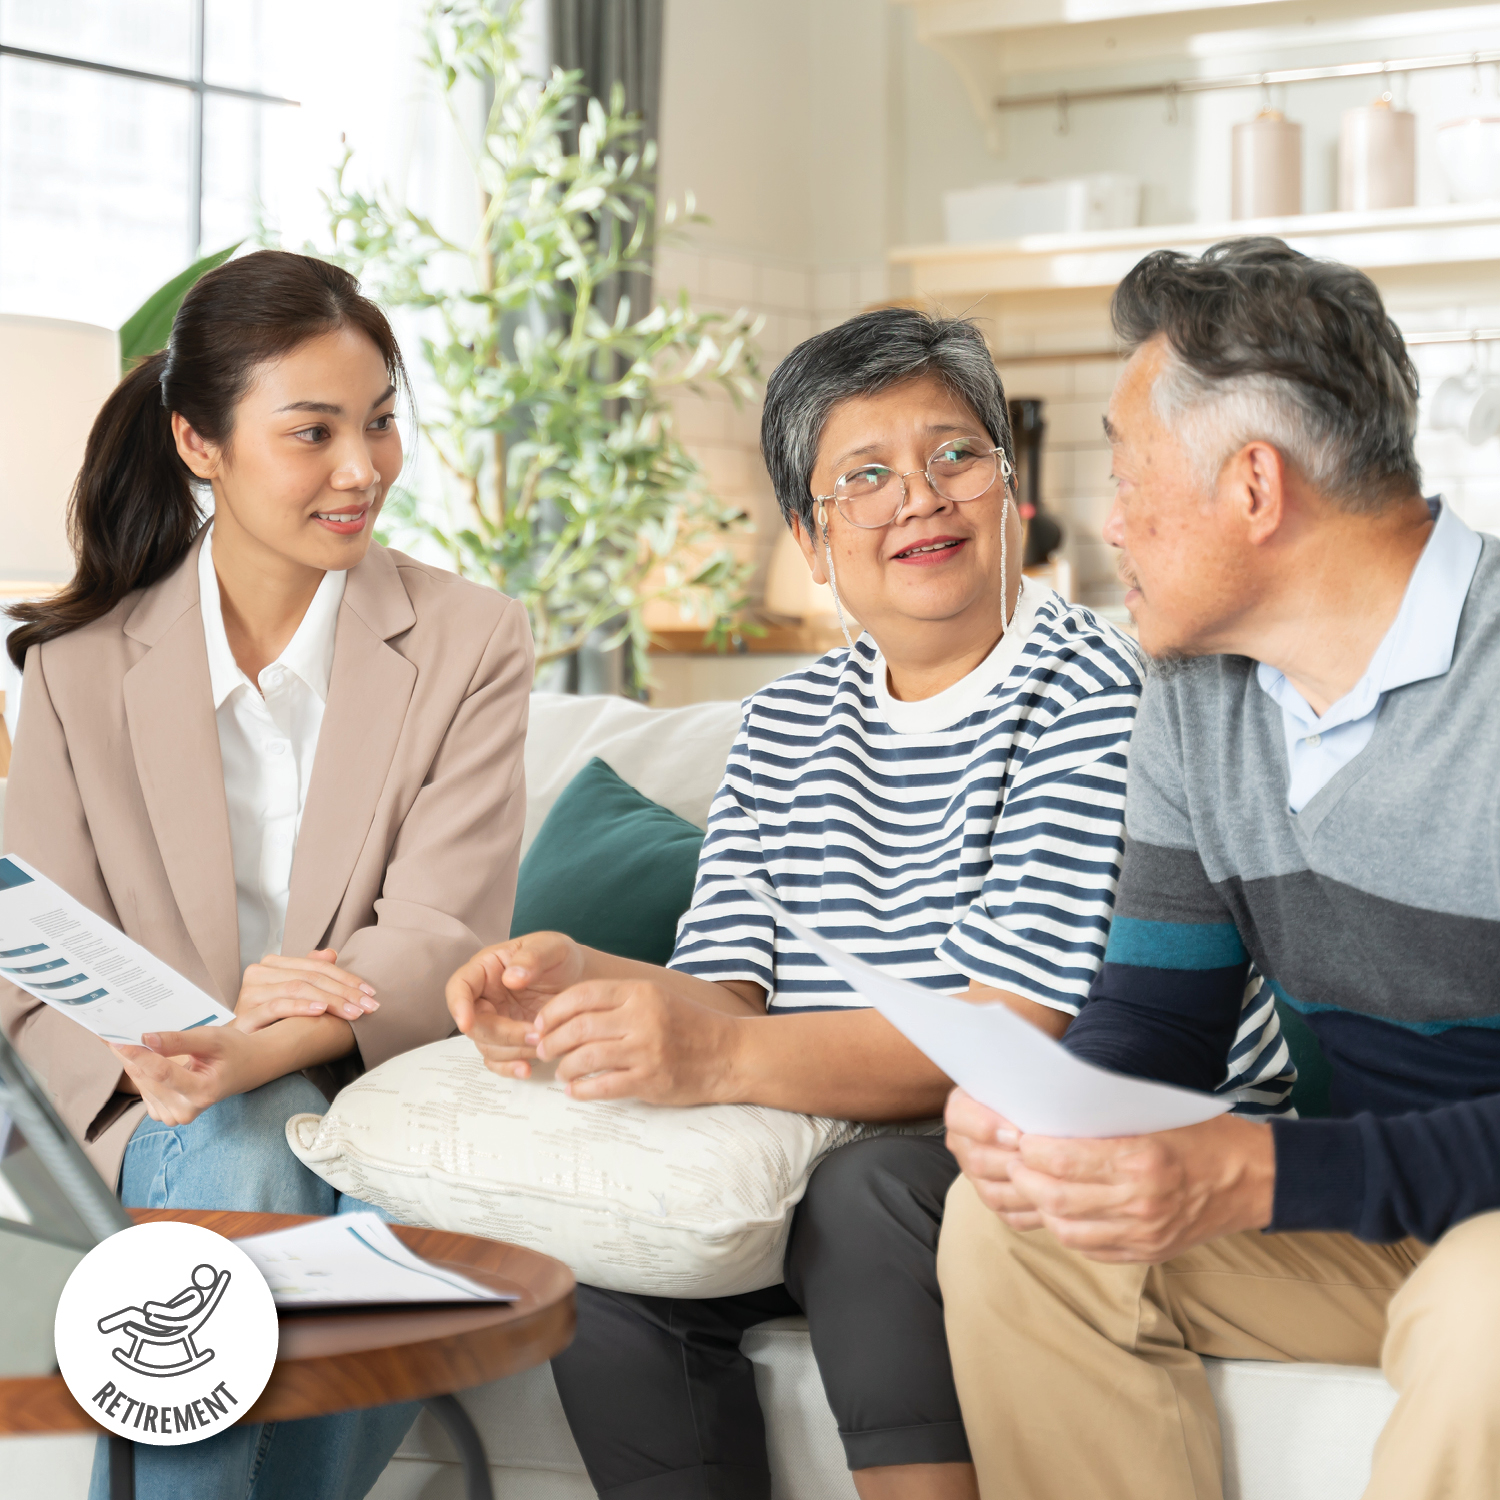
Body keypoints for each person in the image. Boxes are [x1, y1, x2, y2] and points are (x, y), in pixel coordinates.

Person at [446, 308, 1289, 1500]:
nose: (921, 499)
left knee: (870, 1197)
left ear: (1012, 489)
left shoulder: (1103, 692)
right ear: (811, 536)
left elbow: (1005, 1035)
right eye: (866, 477)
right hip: (848, 1134)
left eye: (956, 456)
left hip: (1088, 1140)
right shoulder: (786, 722)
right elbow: (725, 987)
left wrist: (712, 1055)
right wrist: (575, 985)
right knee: (616, 1247)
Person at [938, 236, 1500, 1500]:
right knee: (1019, 1229)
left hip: (1476, 1243)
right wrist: (1055, 1108)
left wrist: (1269, 1168)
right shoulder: (1195, 694)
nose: (1102, 518)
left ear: (1256, 488)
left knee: (1486, 1309)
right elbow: (1158, 1018)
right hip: (1382, 1207)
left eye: (1127, 473)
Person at [1, 250, 532, 1500]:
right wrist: (193, 1053)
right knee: (245, 1155)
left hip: (373, 1080)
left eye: (383, 422)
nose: (366, 469)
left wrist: (265, 1037)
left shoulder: (467, 639)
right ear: (199, 443)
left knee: (270, 1154)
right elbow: (36, 966)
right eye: (314, 432)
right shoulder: (79, 670)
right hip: (144, 1109)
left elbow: (445, 926)